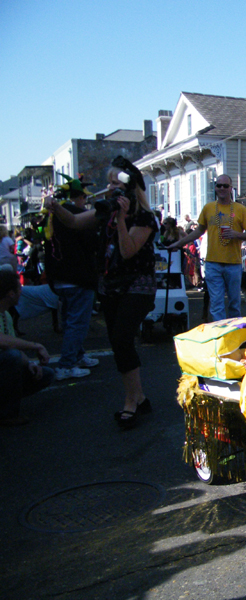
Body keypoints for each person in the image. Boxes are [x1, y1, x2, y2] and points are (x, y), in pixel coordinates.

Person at [45, 156, 158, 429]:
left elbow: (128, 250)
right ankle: (139, 397)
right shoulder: (105, 211)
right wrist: (54, 205)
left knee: (121, 337)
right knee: (119, 342)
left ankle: (130, 403)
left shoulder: (144, 217)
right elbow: (72, 221)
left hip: (138, 285)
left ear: (129, 189)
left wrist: (120, 219)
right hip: (110, 286)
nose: (108, 188)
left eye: (113, 183)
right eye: (108, 183)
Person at [168, 174, 246, 321]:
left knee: (234, 304)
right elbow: (199, 230)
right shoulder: (208, 208)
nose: (222, 188)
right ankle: (219, 338)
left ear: (231, 188)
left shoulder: (240, 209)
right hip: (212, 263)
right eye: (219, 185)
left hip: (233, 263)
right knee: (216, 304)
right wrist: (179, 243)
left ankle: (234, 336)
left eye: (225, 186)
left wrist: (236, 234)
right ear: (215, 187)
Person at [43, 174, 100, 381]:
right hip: (78, 276)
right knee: (77, 322)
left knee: (70, 320)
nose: (86, 202)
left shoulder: (50, 216)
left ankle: (78, 355)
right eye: (84, 198)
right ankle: (66, 365)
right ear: (77, 198)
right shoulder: (77, 216)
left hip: (60, 277)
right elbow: (92, 245)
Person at [0, 267, 54, 426]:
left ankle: (5, 400)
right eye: (19, 289)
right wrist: (35, 346)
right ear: (11, 293)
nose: (21, 292)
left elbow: (11, 345)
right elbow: (3, 341)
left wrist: (30, 363)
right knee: (12, 358)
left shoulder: (6, 315)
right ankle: (7, 414)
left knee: (45, 374)